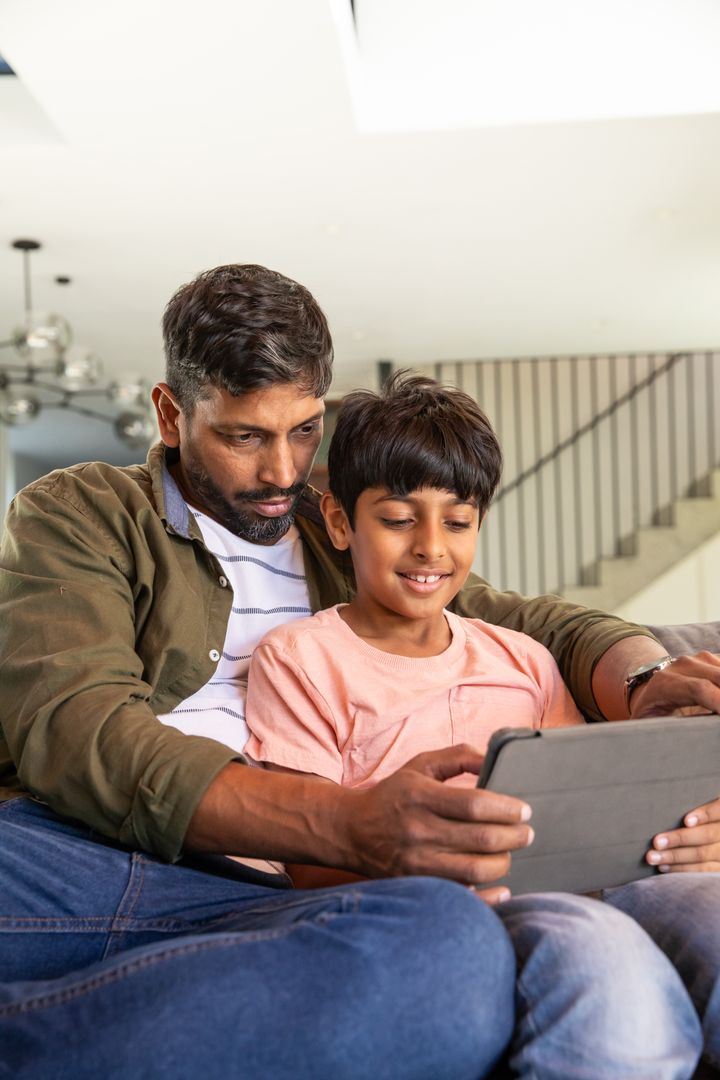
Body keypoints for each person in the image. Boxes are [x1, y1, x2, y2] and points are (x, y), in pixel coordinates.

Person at [0, 263, 716, 1078]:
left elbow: (530, 621)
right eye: (244, 436)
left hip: (275, 893)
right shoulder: (84, 511)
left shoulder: (341, 532)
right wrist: (347, 821)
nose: (282, 471)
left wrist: (642, 678)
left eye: (304, 431)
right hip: (77, 857)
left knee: (450, 956)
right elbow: (77, 728)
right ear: (171, 412)